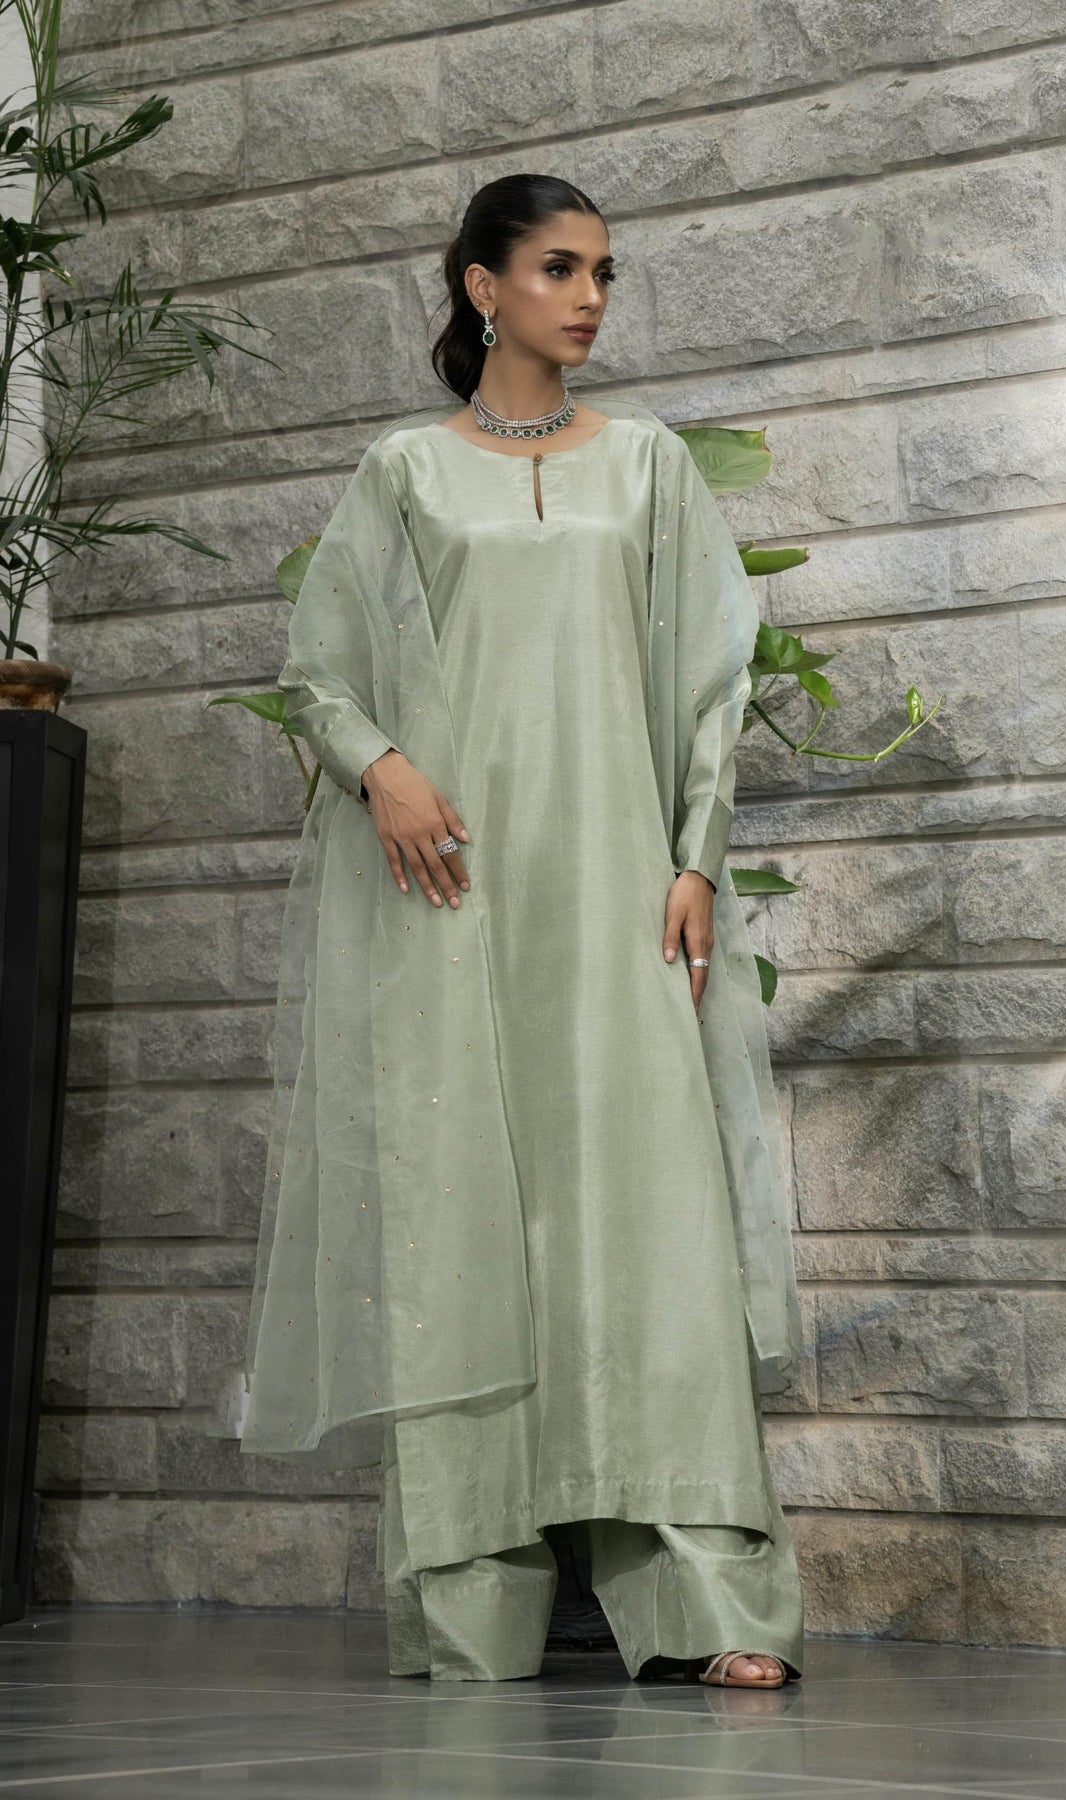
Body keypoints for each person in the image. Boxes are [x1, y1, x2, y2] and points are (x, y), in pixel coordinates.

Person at [237, 172, 808, 1688]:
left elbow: (711, 681)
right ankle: (473, 1597)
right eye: (561, 269)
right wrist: (383, 766)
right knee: (466, 1234)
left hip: (621, 894)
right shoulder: (407, 473)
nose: (591, 298)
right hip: (458, 899)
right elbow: (319, 668)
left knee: (648, 1225)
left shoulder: (650, 468)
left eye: (605, 272)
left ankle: (704, 1602)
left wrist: (696, 861)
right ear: (482, 287)